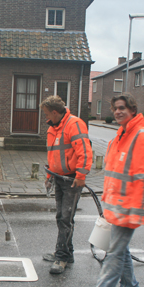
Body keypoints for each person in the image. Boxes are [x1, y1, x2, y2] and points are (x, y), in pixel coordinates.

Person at [79, 93, 144, 287]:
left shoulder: (141, 136)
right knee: (120, 249)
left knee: (113, 252)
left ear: (133, 110)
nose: (118, 112)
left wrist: (138, 207)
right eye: (116, 108)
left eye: (123, 108)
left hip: (128, 208)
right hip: (117, 205)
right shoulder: (122, 135)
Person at [41, 96, 93, 274]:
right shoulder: (53, 128)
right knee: (61, 217)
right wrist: (49, 176)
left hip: (71, 180)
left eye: (47, 114)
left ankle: (61, 256)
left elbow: (84, 152)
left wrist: (80, 175)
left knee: (65, 218)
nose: (46, 117)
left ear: (55, 112)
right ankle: (67, 253)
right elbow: (52, 156)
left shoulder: (74, 124)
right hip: (59, 178)